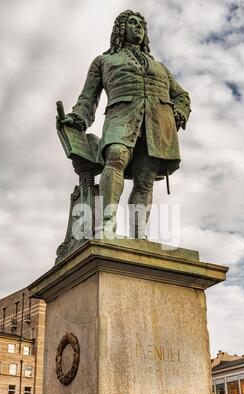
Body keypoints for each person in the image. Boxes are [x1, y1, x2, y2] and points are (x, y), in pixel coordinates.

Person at [59, 10, 191, 238]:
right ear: (121, 28)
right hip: (121, 119)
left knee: (145, 179)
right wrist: (78, 118)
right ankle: (108, 224)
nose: (138, 27)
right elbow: (88, 98)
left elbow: (182, 96)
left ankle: (139, 233)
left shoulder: (161, 68)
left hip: (157, 126)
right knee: (116, 157)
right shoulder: (104, 61)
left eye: (142, 24)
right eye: (133, 23)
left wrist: (178, 113)